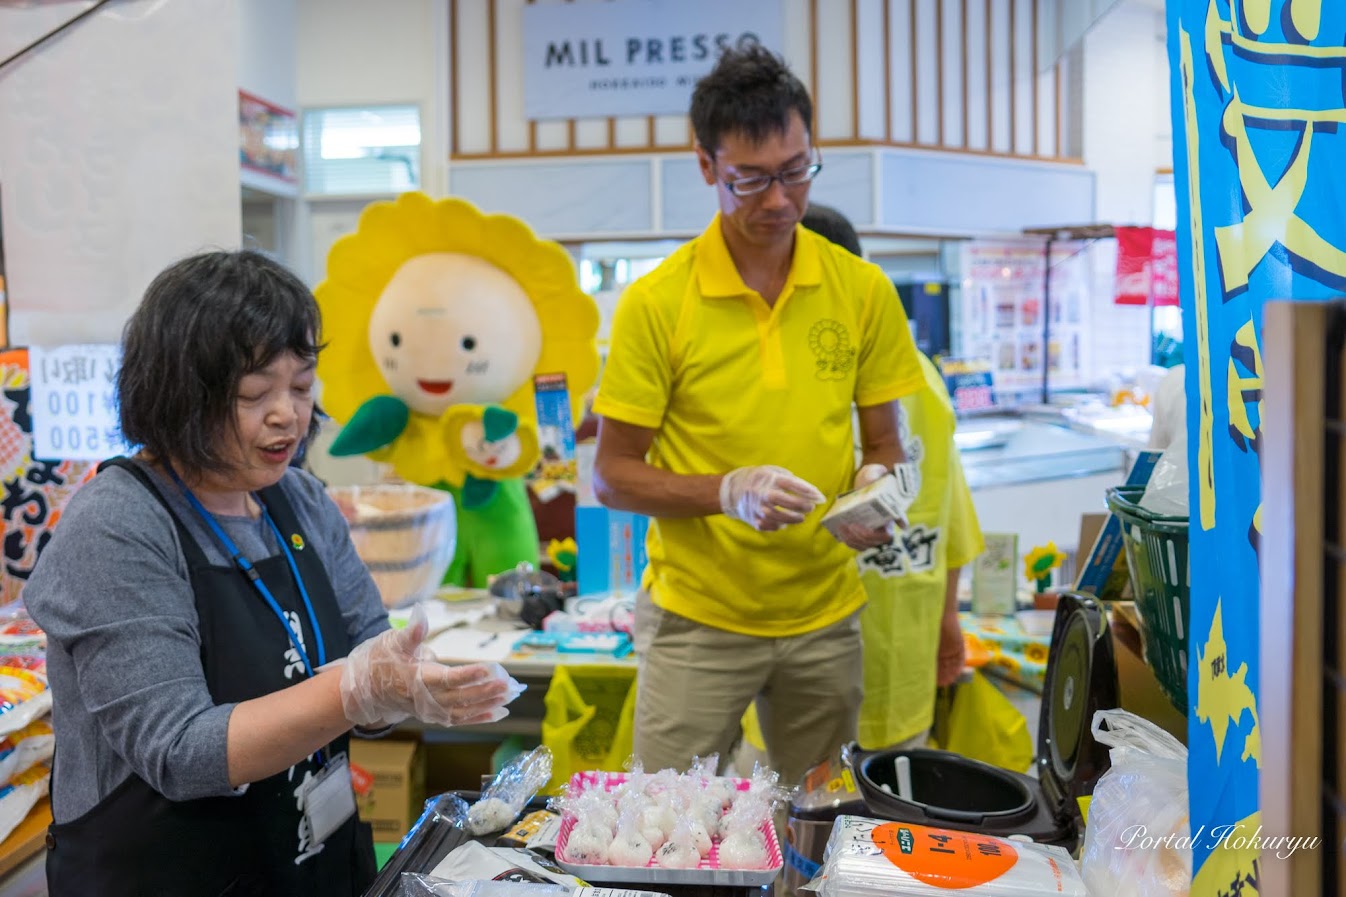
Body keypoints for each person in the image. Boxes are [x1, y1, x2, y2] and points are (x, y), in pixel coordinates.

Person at [24, 250, 519, 897]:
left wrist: (409, 685)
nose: (289, 413)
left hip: (314, 862)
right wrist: (354, 692)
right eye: (257, 393)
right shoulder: (117, 525)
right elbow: (179, 750)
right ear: (177, 391)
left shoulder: (301, 499)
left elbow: (369, 644)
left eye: (303, 384)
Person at [592, 45, 925, 787]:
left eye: (797, 170)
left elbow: (883, 444)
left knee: (819, 821)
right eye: (751, 178)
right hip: (697, 620)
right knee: (665, 825)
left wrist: (873, 492)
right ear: (707, 165)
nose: (779, 199)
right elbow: (611, 477)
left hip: (824, 614)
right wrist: (727, 490)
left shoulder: (861, 290)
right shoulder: (658, 303)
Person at [800, 203, 984, 751]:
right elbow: (952, 515)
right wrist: (949, 618)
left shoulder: (811, 376)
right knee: (893, 819)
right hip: (906, 642)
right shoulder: (922, 373)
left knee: (794, 821)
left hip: (811, 654)